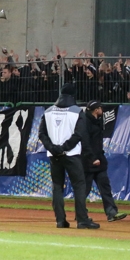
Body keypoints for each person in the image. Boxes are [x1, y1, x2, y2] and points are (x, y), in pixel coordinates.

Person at [38, 83, 99, 229]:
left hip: (54, 156)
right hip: (71, 154)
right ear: (73, 95)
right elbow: (80, 134)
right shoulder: (77, 112)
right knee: (79, 185)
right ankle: (82, 220)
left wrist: (53, 148)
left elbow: (41, 134)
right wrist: (64, 148)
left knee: (57, 186)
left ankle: (60, 220)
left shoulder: (48, 111)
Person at [82, 101, 127, 222]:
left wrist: (99, 158)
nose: (102, 109)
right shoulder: (85, 122)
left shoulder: (98, 120)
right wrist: (92, 158)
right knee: (84, 189)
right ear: (96, 110)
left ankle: (111, 212)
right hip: (88, 161)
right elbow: (85, 143)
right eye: (100, 107)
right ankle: (81, 213)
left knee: (105, 188)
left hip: (99, 160)